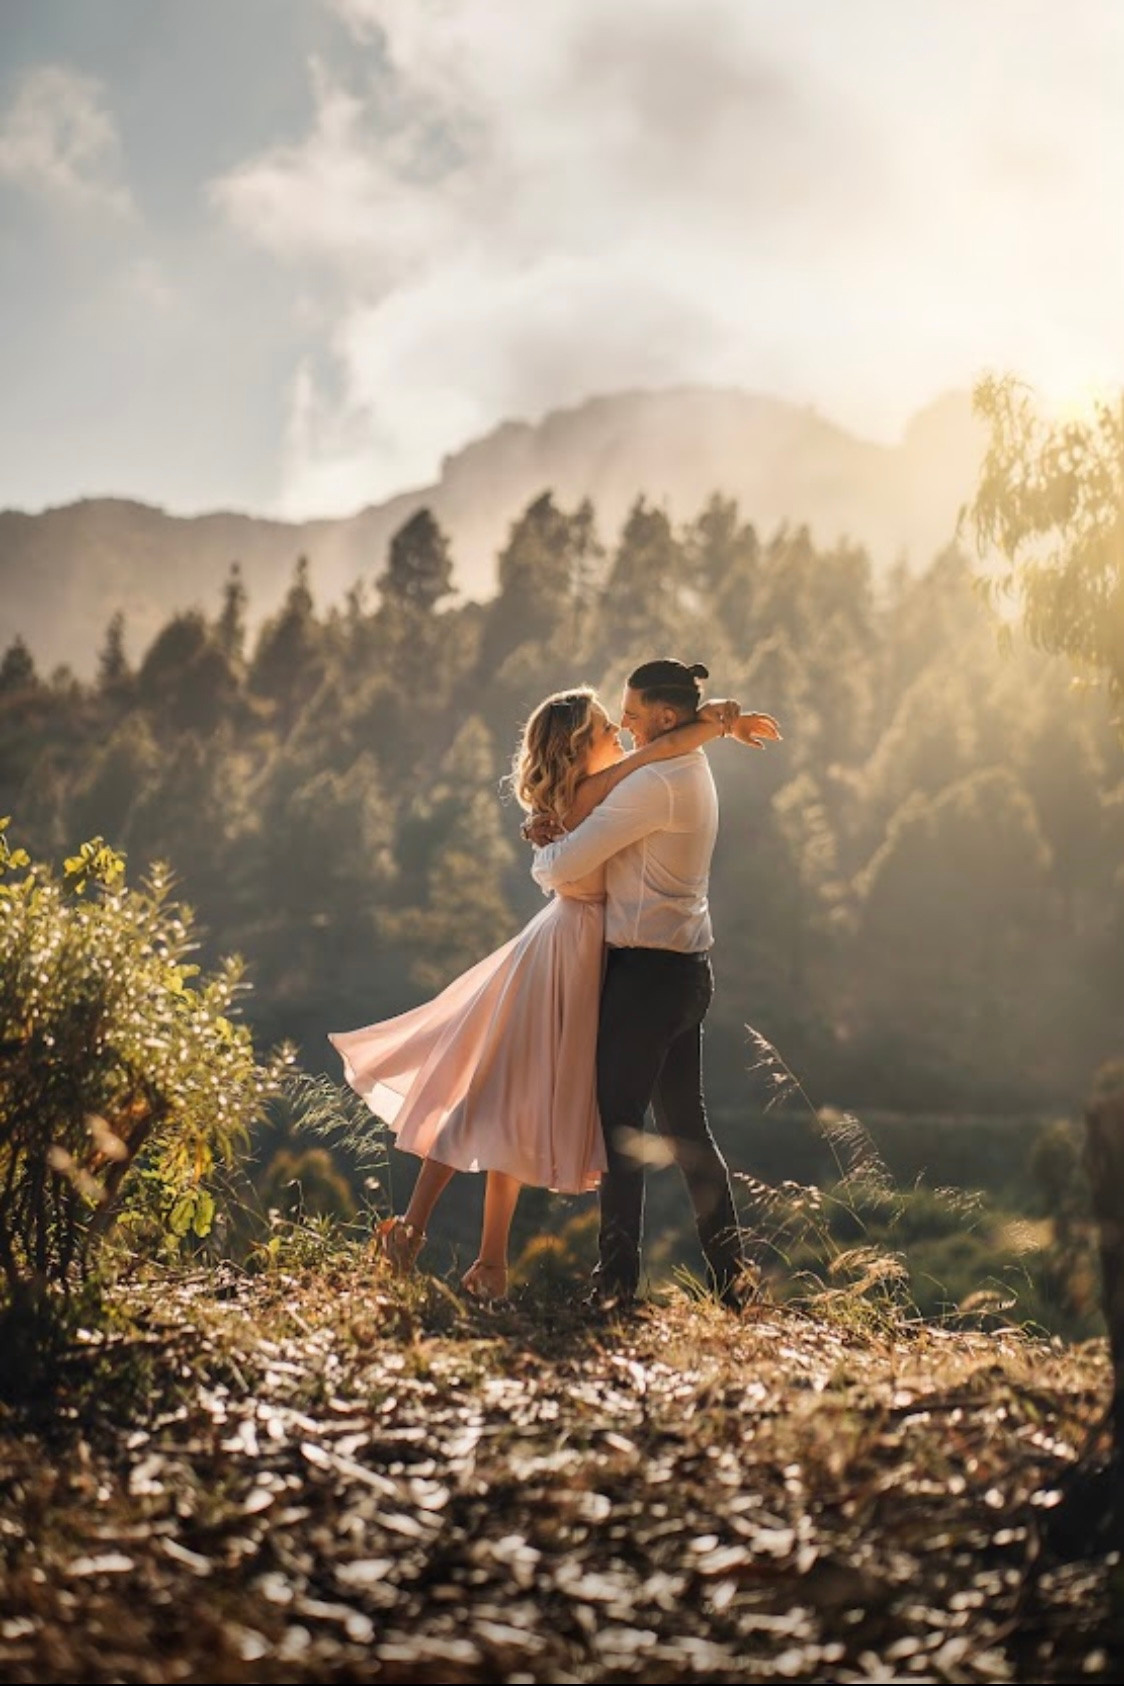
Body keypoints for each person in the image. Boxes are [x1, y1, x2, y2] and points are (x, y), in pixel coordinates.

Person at [330, 681, 777, 1299]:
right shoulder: (595, 795)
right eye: (605, 727)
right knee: (494, 1091)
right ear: (577, 748)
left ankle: (490, 1262)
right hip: (559, 956)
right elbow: (583, 839)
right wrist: (711, 726)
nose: (619, 733)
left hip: (587, 957)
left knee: (519, 1100)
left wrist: (720, 721)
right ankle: (415, 1230)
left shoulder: (616, 783)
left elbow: (659, 748)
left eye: (622, 720)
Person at [529, 658, 776, 1308]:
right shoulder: (685, 765)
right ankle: (733, 1282)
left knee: (620, 1128)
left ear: (666, 717)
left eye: (633, 714)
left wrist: (543, 849)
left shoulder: (656, 784)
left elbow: (563, 868)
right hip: (685, 971)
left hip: (647, 977)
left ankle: (615, 1286)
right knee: (686, 1131)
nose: (626, 725)